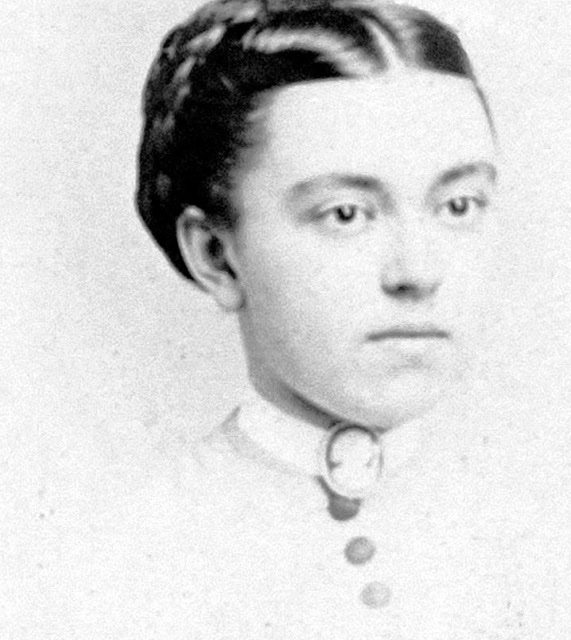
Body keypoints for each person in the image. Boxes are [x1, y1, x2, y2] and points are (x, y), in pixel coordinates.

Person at [133, 0, 516, 636]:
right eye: (346, 214)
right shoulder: (129, 546)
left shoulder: (563, 537)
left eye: (457, 205)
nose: (417, 273)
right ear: (216, 256)